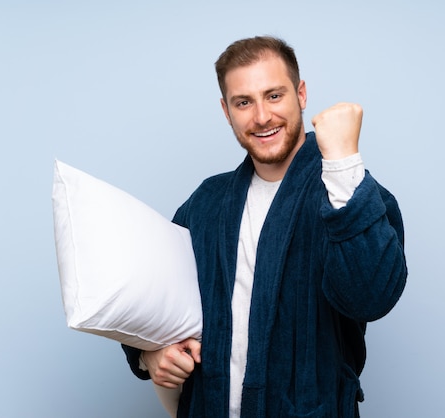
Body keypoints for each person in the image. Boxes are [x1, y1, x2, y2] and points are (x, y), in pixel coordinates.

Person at [122, 36, 407, 418]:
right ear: (226, 111)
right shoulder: (207, 202)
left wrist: (342, 162)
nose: (261, 117)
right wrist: (149, 353)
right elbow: (155, 297)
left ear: (301, 94)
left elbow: (369, 298)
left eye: (274, 95)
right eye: (244, 102)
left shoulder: (349, 190)